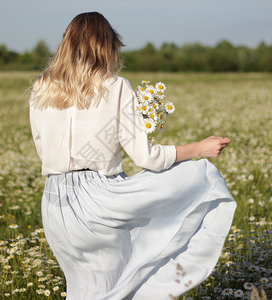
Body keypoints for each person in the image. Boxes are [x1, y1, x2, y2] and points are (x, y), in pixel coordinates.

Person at [29, 12, 236, 300]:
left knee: (82, 290)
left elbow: (42, 149)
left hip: (56, 205)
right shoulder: (115, 87)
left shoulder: (41, 87)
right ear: (106, 46)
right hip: (98, 201)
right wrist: (199, 149)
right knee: (115, 288)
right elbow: (146, 157)